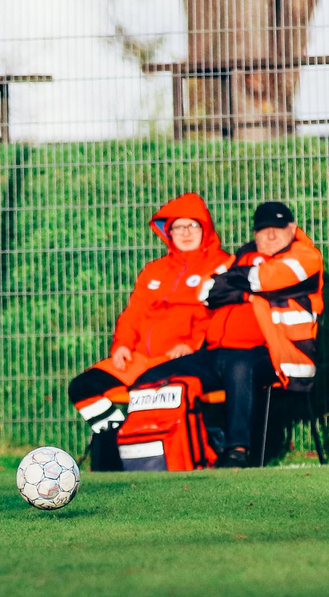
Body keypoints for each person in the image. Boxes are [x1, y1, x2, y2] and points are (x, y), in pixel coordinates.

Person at [135, 201, 324, 468]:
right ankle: (152, 451)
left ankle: (237, 451)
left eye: (278, 228)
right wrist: (247, 289)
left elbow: (267, 279)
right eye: (264, 229)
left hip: (280, 355)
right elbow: (205, 290)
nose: (271, 235)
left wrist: (236, 284)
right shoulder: (242, 256)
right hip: (219, 352)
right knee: (152, 376)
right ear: (255, 234)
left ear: (292, 228)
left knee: (239, 367)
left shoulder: (306, 256)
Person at [67, 193, 230, 469]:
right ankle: (121, 442)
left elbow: (218, 316)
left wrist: (192, 346)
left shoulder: (221, 265)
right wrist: (122, 345)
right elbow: (133, 313)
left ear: (206, 228)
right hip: (138, 359)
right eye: (178, 227)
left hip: (177, 360)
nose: (186, 233)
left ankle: (155, 457)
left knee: (153, 396)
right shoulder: (154, 270)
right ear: (168, 232)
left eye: (193, 225)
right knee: (83, 387)